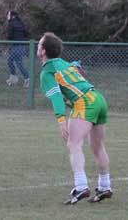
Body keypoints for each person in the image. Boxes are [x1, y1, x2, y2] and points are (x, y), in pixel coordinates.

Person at [37, 32, 112, 204]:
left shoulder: (47, 72)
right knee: (97, 146)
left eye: (40, 44)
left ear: (43, 52)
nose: (38, 47)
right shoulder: (63, 63)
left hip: (85, 102)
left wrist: (61, 120)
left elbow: (56, 97)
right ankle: (105, 186)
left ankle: (80, 187)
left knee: (74, 144)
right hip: (98, 98)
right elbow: (74, 67)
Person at [6, 10, 30, 87]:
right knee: (10, 61)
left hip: (17, 46)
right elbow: (27, 33)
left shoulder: (11, 24)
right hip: (22, 46)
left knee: (19, 63)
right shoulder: (21, 23)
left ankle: (27, 79)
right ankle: (13, 78)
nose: (7, 16)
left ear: (12, 16)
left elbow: (9, 36)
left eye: (8, 15)